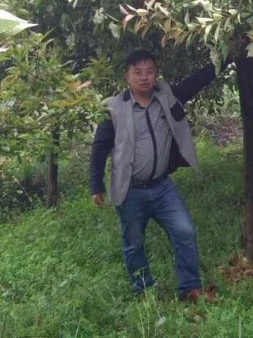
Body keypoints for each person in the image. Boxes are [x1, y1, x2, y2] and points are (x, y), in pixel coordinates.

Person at [89, 48, 221, 301]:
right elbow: (99, 148)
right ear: (127, 77)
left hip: (162, 188)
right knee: (134, 243)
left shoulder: (167, 97)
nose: (144, 77)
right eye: (137, 72)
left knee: (184, 232)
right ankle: (143, 292)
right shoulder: (113, 109)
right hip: (130, 191)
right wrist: (96, 184)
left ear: (156, 75)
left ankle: (189, 288)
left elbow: (197, 81)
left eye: (149, 71)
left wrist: (227, 57)